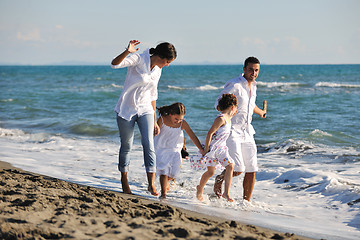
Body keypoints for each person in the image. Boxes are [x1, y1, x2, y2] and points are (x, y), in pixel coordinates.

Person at [111, 40, 177, 196]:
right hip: (126, 109)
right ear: (160, 57)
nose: (167, 65)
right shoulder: (139, 59)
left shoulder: (158, 70)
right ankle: (124, 180)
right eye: (167, 62)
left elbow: (153, 95)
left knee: (149, 144)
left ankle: (151, 184)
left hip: (146, 109)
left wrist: (154, 119)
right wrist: (127, 52)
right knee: (126, 145)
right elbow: (114, 64)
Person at [213, 57, 266, 202]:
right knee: (237, 169)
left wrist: (260, 112)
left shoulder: (254, 86)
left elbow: (250, 105)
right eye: (250, 69)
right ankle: (219, 179)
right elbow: (218, 102)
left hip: (247, 131)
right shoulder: (235, 85)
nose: (253, 73)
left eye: (256, 70)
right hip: (232, 131)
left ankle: (246, 203)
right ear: (244, 69)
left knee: (252, 169)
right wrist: (227, 112)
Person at [192, 94, 238, 202]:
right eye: (236, 107)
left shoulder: (228, 118)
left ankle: (226, 193)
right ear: (232, 107)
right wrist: (206, 150)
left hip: (221, 149)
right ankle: (200, 188)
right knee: (211, 172)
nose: (237, 109)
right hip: (212, 149)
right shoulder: (221, 119)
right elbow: (210, 133)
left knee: (230, 166)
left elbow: (231, 114)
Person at [155, 102, 204, 199]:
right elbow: (154, 132)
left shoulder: (183, 123)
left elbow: (192, 136)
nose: (178, 121)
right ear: (170, 114)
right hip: (162, 149)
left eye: (180, 119)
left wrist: (201, 149)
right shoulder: (162, 119)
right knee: (163, 172)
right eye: (176, 119)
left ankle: (166, 184)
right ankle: (163, 194)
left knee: (173, 174)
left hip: (175, 151)